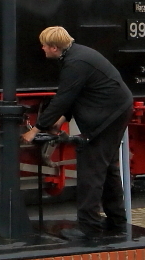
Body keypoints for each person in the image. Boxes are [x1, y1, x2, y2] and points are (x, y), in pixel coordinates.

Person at [21, 26, 134, 241]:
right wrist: (62, 120)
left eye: (44, 45)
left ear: (54, 47)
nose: (42, 48)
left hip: (107, 115)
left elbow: (63, 98)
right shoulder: (77, 55)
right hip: (115, 109)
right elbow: (79, 93)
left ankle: (89, 228)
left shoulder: (75, 63)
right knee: (107, 167)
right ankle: (117, 221)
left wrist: (36, 129)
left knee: (91, 170)